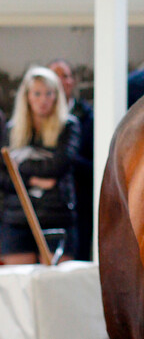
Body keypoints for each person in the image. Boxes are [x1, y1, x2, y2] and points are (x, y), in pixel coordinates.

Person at [1, 67, 81, 264]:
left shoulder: (68, 125)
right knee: (18, 287)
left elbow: (58, 165)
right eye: (37, 93)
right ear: (27, 96)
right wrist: (33, 180)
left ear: (56, 96)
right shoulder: (12, 130)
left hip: (57, 217)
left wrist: (20, 168)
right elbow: (3, 175)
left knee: (57, 286)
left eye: (48, 93)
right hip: (17, 219)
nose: (42, 99)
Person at [47, 59, 94, 261]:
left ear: (72, 81)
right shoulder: (33, 121)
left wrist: (64, 160)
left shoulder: (89, 118)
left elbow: (97, 164)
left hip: (79, 204)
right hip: (46, 205)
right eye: (54, 76)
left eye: (65, 76)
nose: (60, 81)